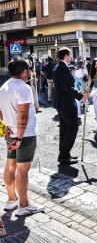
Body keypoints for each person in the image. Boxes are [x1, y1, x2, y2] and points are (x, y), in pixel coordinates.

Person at [0, 58, 44, 216]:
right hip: (23, 135)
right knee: (23, 170)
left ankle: (12, 199)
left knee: (10, 165)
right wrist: (19, 138)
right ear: (24, 71)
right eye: (29, 69)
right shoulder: (23, 88)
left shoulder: (4, 87)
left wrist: (5, 127)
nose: (31, 72)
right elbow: (23, 114)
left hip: (11, 132)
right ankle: (24, 205)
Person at [53, 48, 89, 165]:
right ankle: (63, 155)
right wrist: (81, 96)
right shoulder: (62, 68)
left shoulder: (58, 67)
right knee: (73, 127)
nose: (72, 57)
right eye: (70, 55)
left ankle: (64, 154)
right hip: (66, 103)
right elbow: (66, 88)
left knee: (64, 128)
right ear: (67, 55)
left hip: (61, 102)